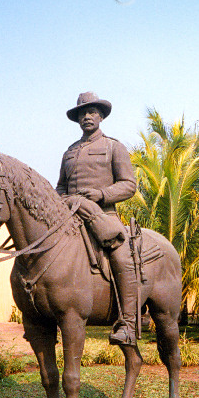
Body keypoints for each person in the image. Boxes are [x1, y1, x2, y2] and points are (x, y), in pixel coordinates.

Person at [56, 92, 138, 346]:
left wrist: (102, 194)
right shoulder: (69, 153)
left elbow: (129, 185)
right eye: (82, 113)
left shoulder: (113, 147)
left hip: (104, 216)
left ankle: (128, 322)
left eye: (92, 112)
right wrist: (59, 201)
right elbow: (60, 187)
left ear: (101, 116)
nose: (87, 116)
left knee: (122, 255)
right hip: (70, 216)